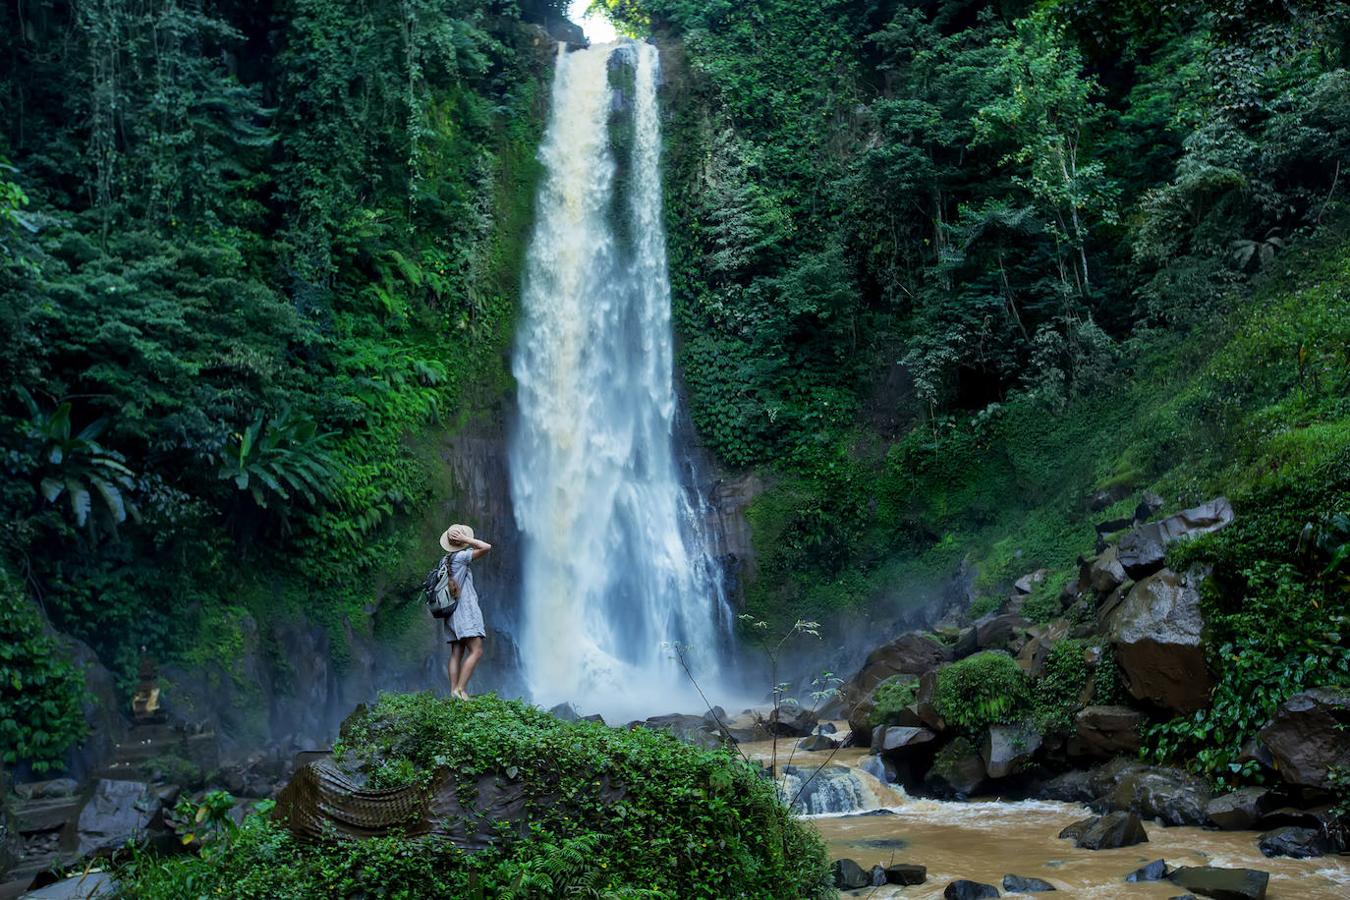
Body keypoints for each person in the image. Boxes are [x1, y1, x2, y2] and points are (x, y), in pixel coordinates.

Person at [439, 523, 491, 699]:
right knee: (477, 650)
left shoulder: (445, 560)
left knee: (456, 652)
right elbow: (486, 547)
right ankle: (461, 689)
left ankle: (453, 690)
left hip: (451, 614)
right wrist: (466, 539)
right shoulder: (461, 557)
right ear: (459, 541)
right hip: (464, 612)